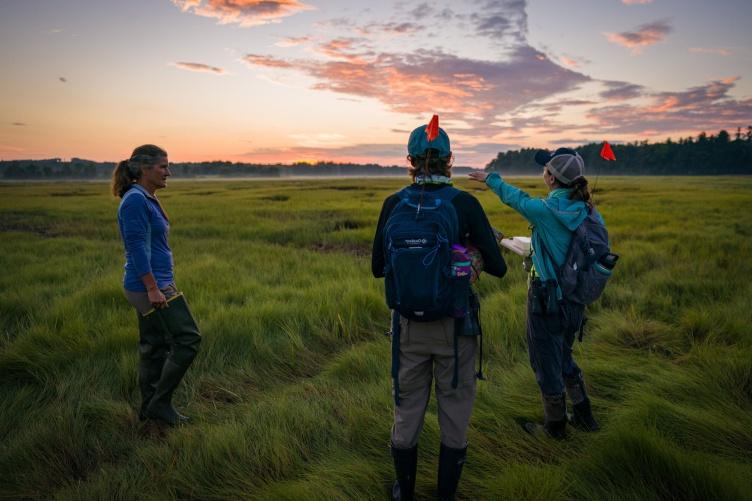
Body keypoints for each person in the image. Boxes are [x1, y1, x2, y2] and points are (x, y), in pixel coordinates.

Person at [372, 118, 507, 500]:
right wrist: (467, 254)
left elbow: (378, 267)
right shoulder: (464, 203)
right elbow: (498, 267)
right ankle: (446, 495)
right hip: (455, 327)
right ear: (450, 160)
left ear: (410, 161)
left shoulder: (393, 203)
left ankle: (405, 492)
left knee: (407, 410)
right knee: (455, 411)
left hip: (406, 330)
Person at [468, 147, 601, 439]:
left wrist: (490, 178)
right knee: (564, 355)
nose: (544, 172)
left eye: (546, 169)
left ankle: (555, 429)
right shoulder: (588, 210)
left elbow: (516, 199)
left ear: (551, 178)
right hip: (575, 299)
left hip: (546, 298)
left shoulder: (546, 211)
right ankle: (584, 414)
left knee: (545, 361)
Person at [112, 144, 201, 426]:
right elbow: (136, 247)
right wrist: (153, 288)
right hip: (149, 286)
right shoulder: (136, 200)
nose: (168, 172)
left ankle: (149, 411)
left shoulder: (143, 197)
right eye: (163, 166)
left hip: (153, 283)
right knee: (188, 339)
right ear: (143, 169)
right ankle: (159, 405)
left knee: (155, 347)